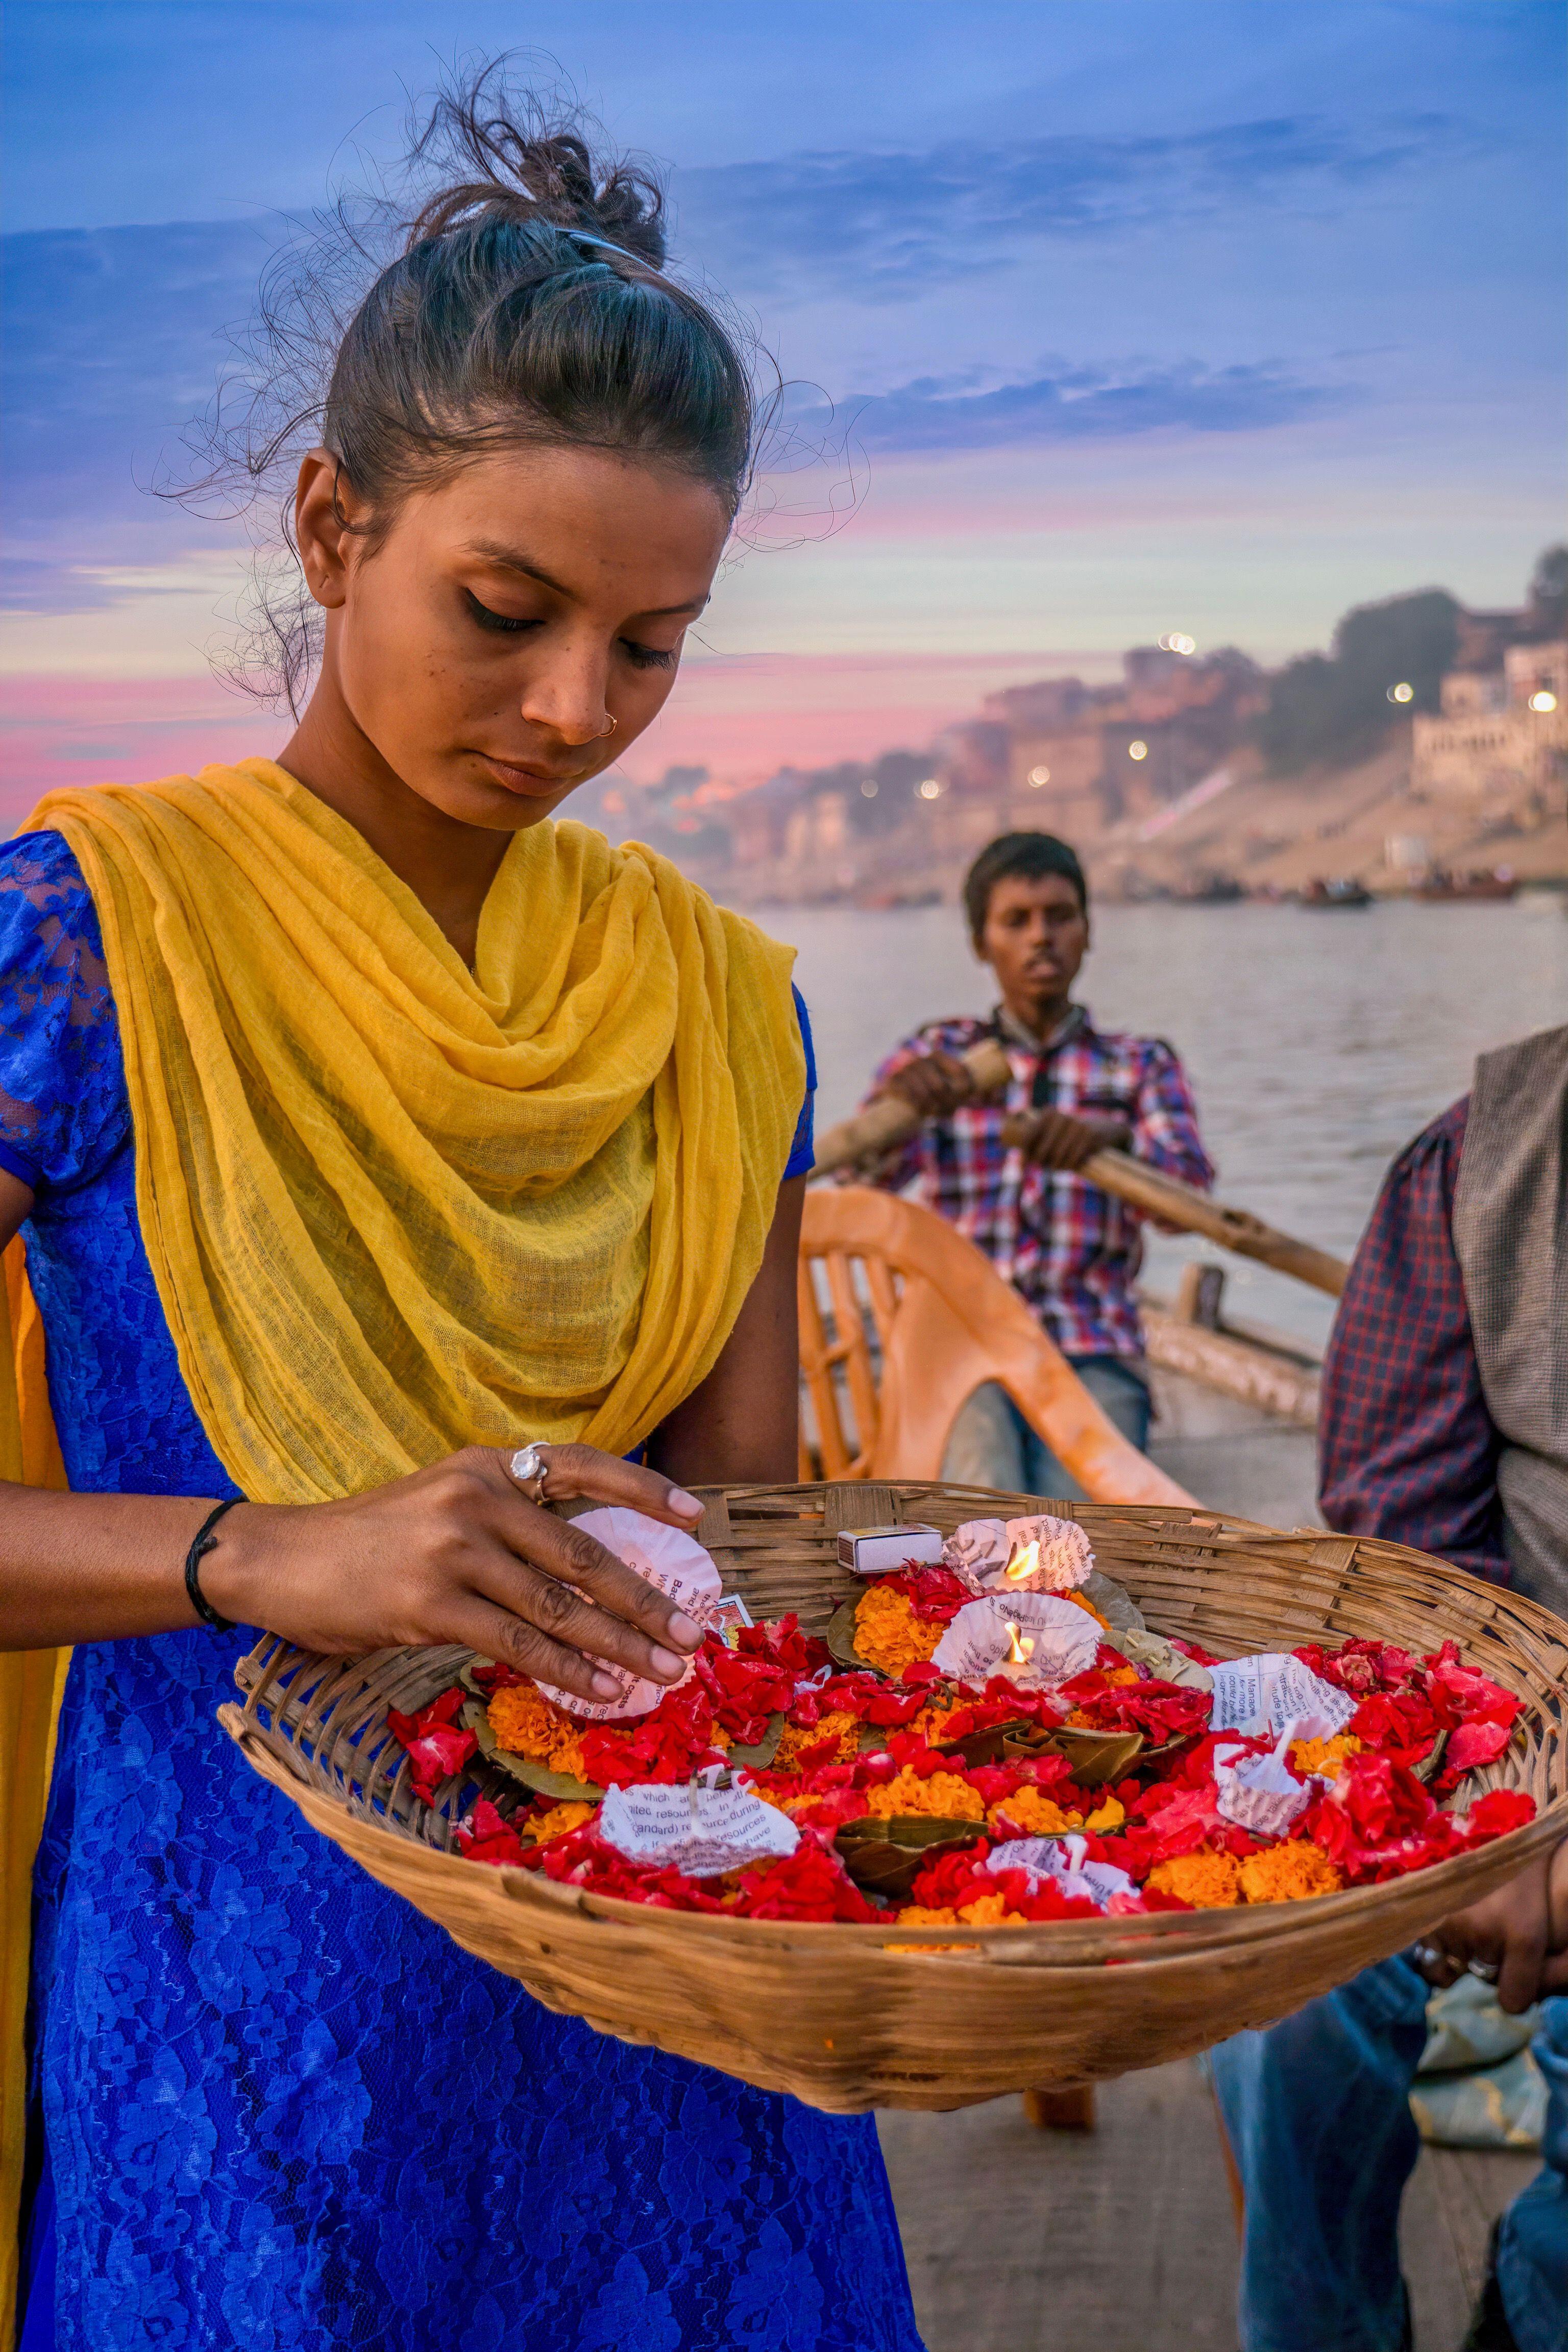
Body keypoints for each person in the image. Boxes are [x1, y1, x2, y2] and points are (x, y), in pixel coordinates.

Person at [0, 81, 923, 2351]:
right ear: (330, 527)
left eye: (649, 643)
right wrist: (253, 1552)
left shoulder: (714, 1010)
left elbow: (741, 1548)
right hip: (255, 2009)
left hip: (674, 1976)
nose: (569, 710)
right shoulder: (80, 952)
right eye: (505, 609)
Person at [1209, 1023, 1568, 2352]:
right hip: (1500, 1726)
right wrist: (1521, 1787)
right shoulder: (1479, 1165)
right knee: (1284, 1994)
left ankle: (1530, 2296)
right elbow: (1405, 1549)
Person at [849, 829, 1213, 1496]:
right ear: (981, 943)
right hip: (959, 1339)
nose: (1041, 937)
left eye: (1060, 917)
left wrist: (1121, 1145)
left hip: (1091, 1343)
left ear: (1087, 932)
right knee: (980, 1508)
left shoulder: (1139, 1065)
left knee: (1073, 1533)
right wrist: (904, 1110)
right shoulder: (939, 1056)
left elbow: (1190, 1201)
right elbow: (857, 1185)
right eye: (1016, 921)